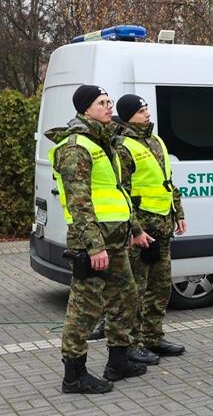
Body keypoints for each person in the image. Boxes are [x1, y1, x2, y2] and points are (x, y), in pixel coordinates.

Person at [46, 85, 146, 394]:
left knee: (126, 297)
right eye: (102, 103)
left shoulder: (105, 143)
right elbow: (80, 202)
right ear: (86, 109)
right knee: (84, 309)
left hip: (115, 239)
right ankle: (74, 376)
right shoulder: (76, 147)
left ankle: (118, 362)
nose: (108, 107)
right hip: (93, 243)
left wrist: (134, 229)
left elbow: (117, 193)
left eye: (109, 102)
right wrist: (94, 246)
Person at [114, 94, 188, 364]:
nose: (147, 113)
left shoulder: (156, 140)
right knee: (137, 289)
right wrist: (135, 230)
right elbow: (120, 193)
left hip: (163, 227)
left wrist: (178, 212)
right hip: (142, 232)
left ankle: (153, 338)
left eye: (146, 108)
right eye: (141, 110)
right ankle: (131, 344)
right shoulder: (123, 146)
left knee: (160, 287)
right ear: (128, 115)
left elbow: (168, 181)